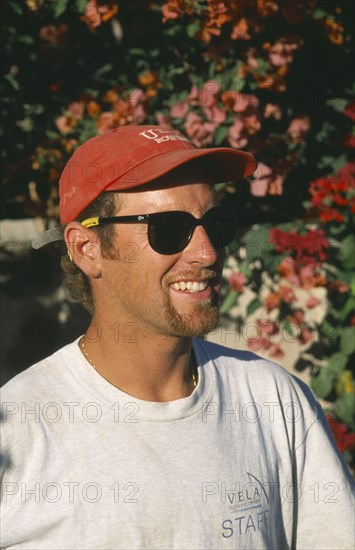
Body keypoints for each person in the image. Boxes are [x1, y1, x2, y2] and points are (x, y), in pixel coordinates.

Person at [0, 125, 353, 550]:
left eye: (216, 223)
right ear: (87, 248)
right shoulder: (19, 429)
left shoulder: (275, 401)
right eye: (168, 228)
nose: (207, 253)